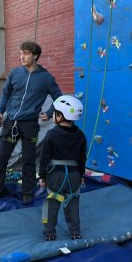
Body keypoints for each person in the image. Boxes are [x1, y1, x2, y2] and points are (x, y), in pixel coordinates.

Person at [0, 41, 62, 204]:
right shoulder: (15, 73)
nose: (21, 56)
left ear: (35, 55)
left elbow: (58, 97)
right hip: (11, 123)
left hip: (30, 125)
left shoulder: (46, 78)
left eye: (25, 53)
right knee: (1, 157)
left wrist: (50, 113)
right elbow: (5, 94)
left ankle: (28, 193)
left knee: (29, 159)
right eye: (20, 53)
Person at [38, 95, 86, 241]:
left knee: (51, 204)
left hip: (55, 175)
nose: (53, 115)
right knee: (72, 203)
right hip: (73, 175)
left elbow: (44, 157)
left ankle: (50, 234)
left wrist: (42, 176)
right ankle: (75, 232)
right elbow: (82, 158)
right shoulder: (80, 136)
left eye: (54, 113)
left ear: (60, 115)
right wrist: (81, 175)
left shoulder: (51, 134)